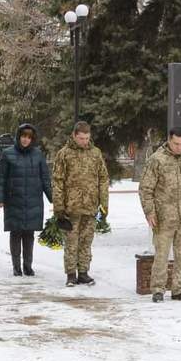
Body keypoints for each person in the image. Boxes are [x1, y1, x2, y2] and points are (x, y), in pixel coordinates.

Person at [139, 127, 181, 302]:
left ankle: (179, 289)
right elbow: (146, 188)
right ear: (169, 140)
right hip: (163, 217)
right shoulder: (156, 160)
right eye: (176, 143)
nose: (179, 147)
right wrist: (149, 212)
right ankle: (158, 290)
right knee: (161, 255)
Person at [52, 121, 109, 287]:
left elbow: (103, 178)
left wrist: (104, 204)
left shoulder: (95, 153)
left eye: (87, 138)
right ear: (74, 136)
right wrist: (59, 209)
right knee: (71, 242)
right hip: (71, 207)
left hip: (90, 206)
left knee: (86, 241)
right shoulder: (64, 154)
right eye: (81, 138)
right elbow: (57, 182)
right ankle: (71, 274)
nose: (84, 141)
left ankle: (83, 272)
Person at [0, 123, 52, 276]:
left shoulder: (38, 154)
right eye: (23, 136)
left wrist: (53, 198)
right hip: (14, 199)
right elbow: (1, 178)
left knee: (29, 234)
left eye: (29, 137)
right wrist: (0, 198)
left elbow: (45, 178)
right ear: (18, 136)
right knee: (16, 233)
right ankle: (16, 266)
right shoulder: (8, 154)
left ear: (32, 139)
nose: (26, 140)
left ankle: (28, 265)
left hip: (33, 199)